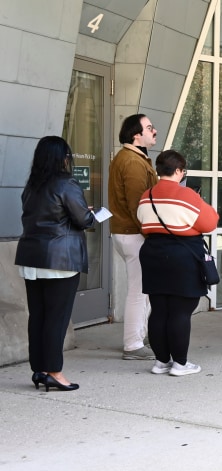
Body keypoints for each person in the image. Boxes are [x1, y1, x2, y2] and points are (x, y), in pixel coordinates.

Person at [15, 136, 95, 391]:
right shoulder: (66, 183)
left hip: (31, 258)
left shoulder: (31, 186)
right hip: (60, 260)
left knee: (37, 316)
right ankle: (55, 372)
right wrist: (89, 213)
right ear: (63, 158)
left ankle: (39, 369)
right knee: (56, 319)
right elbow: (83, 220)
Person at [136, 150, 218, 376]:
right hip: (183, 255)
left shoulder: (147, 195)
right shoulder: (188, 195)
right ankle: (180, 363)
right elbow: (210, 222)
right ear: (180, 171)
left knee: (159, 309)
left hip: (152, 253)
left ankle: (161, 362)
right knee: (181, 310)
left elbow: (143, 224)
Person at [108, 113, 158, 360]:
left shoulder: (132, 159)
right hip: (134, 234)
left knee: (142, 290)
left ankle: (140, 336)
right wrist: (152, 234)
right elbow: (139, 206)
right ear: (136, 135)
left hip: (128, 233)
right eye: (149, 128)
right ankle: (133, 344)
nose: (154, 131)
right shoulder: (133, 162)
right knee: (139, 291)